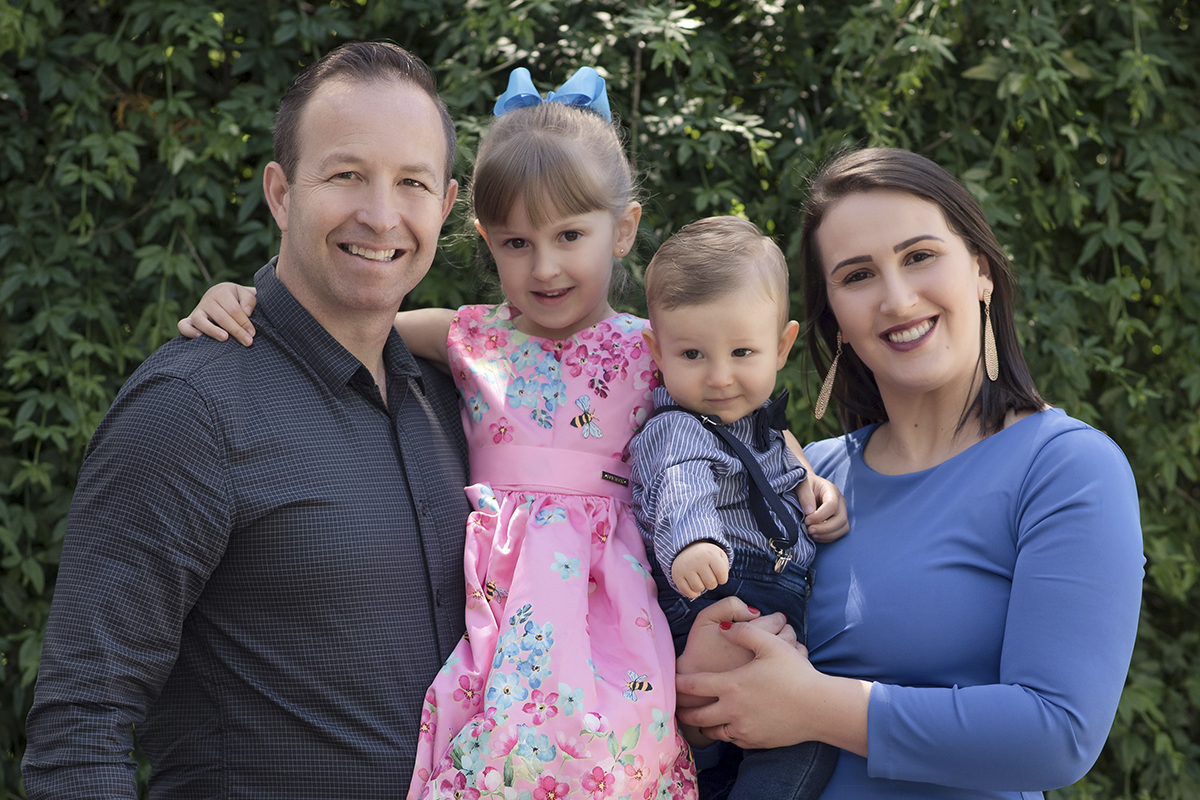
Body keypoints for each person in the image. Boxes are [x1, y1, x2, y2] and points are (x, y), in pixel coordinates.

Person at [181, 66, 713, 800]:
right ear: (485, 239)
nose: (545, 266)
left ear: (623, 229)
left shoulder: (652, 348)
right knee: (488, 759)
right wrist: (241, 295)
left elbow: (732, 414)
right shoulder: (471, 338)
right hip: (496, 604)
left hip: (611, 607)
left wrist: (795, 469)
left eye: (570, 235)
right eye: (517, 242)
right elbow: (334, 320)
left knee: (618, 758)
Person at [22, 42, 470, 798]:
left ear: (446, 205)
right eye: (346, 174)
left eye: (412, 182)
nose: (380, 214)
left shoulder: (462, 399)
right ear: (281, 193)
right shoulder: (190, 410)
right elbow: (80, 725)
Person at [671, 148, 1145, 799]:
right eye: (859, 275)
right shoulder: (806, 478)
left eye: (919, 256)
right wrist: (699, 710)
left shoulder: (1066, 469)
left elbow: (1058, 734)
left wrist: (815, 705)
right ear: (834, 318)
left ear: (981, 271)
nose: (897, 299)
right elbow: (725, 731)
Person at [629, 215, 846, 800]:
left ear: (781, 347)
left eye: (742, 351)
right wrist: (694, 542)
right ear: (657, 351)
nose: (720, 377)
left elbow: (783, 474)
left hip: (766, 609)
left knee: (774, 742)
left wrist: (817, 490)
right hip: (718, 598)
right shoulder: (677, 428)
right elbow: (681, 485)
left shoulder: (764, 432)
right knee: (806, 735)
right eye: (692, 353)